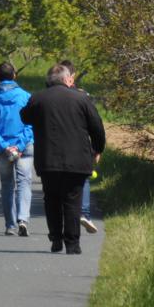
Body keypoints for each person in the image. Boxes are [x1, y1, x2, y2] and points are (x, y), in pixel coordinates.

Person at [21, 63, 106, 254]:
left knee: (51, 199)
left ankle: (56, 239)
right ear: (67, 79)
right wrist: (98, 148)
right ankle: (73, 243)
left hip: (48, 159)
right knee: (72, 201)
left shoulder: (38, 99)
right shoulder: (81, 99)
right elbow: (97, 126)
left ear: (48, 81)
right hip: (77, 159)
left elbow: (25, 117)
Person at [0, 62, 34, 236]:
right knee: (24, 182)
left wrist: (4, 146)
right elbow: (31, 123)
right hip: (24, 146)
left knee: (7, 184)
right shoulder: (26, 97)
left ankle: (10, 225)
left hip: (2, 147)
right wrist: (19, 145)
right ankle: (23, 219)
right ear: (14, 75)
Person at [60, 59, 99, 234]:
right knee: (83, 178)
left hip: (58, 145)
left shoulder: (51, 95)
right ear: (72, 76)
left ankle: (65, 215)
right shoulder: (84, 96)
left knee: (60, 180)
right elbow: (95, 124)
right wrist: (97, 148)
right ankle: (83, 213)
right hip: (82, 145)